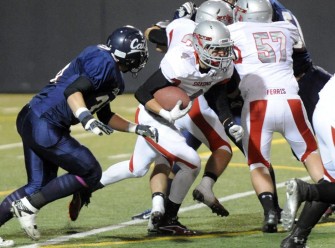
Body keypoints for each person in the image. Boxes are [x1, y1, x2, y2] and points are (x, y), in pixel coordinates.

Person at [69, 0, 243, 231]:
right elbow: (142, 93)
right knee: (191, 162)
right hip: (154, 113)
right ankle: (167, 220)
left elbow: (218, 93)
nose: (222, 54)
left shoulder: (223, 65)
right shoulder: (179, 61)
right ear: (199, 45)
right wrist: (166, 114)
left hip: (178, 110)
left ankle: (87, 187)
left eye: (224, 48)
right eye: (216, 49)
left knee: (137, 167)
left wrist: (228, 121)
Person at [6, 25, 158, 241]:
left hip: (34, 116)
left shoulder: (109, 69)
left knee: (38, 185)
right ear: (130, 54)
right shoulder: (104, 62)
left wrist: (135, 128)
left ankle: (23, 207)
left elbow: (105, 114)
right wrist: (86, 119)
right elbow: (72, 91)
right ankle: (28, 207)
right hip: (45, 122)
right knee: (91, 171)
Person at [228, 0, 326, 233]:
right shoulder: (286, 28)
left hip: (258, 105)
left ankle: (271, 212)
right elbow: (299, 49)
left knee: (258, 163)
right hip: (291, 100)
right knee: (309, 154)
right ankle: (325, 196)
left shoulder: (234, 31)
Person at [280, 74, 335, 247]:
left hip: (324, 111)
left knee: (331, 181)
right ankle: (305, 191)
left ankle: (297, 239)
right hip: (332, 115)